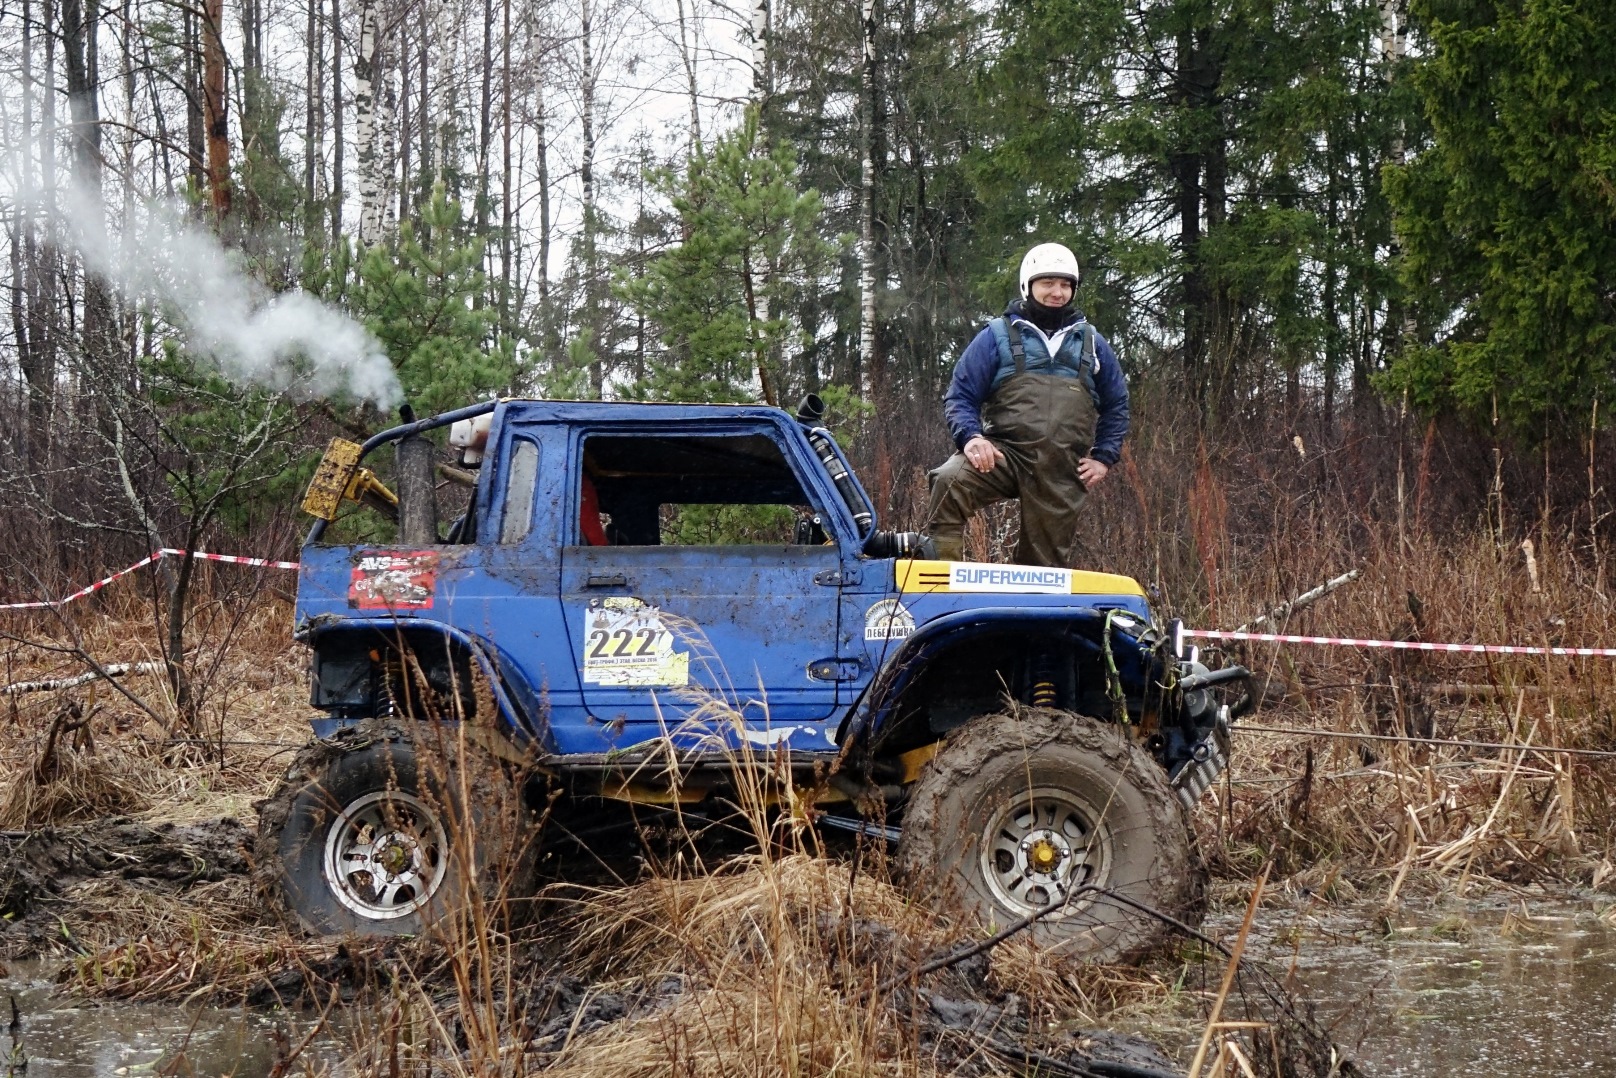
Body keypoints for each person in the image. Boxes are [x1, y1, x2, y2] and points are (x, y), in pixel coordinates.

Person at [923, 242, 1130, 568]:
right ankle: (938, 585)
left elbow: (1117, 404)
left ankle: (1024, 617)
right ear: (1028, 285)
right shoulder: (996, 335)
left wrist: (1104, 457)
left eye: (1065, 285)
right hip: (1003, 456)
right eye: (1048, 283)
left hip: (1061, 469)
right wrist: (972, 437)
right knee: (949, 480)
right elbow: (961, 395)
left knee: (1042, 572)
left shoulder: (1091, 341)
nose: (1058, 292)